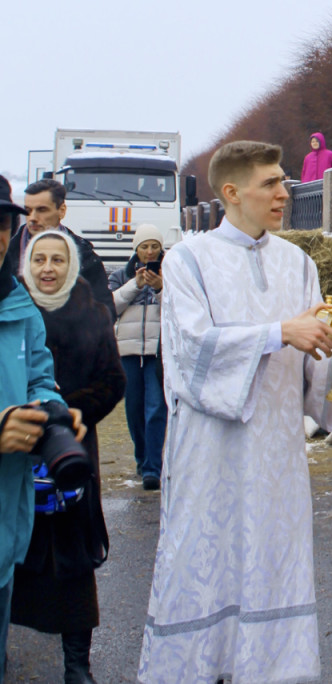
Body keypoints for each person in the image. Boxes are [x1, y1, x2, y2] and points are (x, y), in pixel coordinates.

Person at [137, 140, 332, 684]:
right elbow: (191, 352)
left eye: (283, 181)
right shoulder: (189, 260)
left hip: (277, 453)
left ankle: (270, 670)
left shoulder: (299, 262)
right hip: (211, 452)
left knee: (273, 559)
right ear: (232, 192)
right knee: (205, 560)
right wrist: (278, 332)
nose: (284, 193)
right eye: (271, 183)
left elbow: (311, 364)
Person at [12, 229, 124, 684]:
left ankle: (77, 664)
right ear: (26, 264)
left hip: (72, 450)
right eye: (39, 259)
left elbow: (113, 381)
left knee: (73, 562)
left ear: (72, 265)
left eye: (57, 259)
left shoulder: (93, 313)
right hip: (15, 449)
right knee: (12, 551)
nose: (48, 268)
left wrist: (71, 411)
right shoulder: (13, 310)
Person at [0, 174, 83, 684]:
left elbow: (39, 377)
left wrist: (55, 412)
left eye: (0, 224)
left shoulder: (18, 305)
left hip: (5, 527)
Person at [107, 224, 167, 490]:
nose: (150, 251)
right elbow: (110, 307)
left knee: (156, 407)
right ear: (136, 249)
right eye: (144, 246)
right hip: (128, 352)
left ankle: (153, 467)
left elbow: (181, 308)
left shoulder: (170, 273)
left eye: (155, 246)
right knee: (133, 410)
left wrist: (161, 288)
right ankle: (142, 459)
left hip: (157, 352)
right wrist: (135, 285)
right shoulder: (120, 275)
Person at [5, 180, 113, 321]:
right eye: (28, 210)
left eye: (42, 210)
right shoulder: (7, 254)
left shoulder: (86, 258)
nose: (32, 218)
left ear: (61, 210)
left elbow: (106, 314)